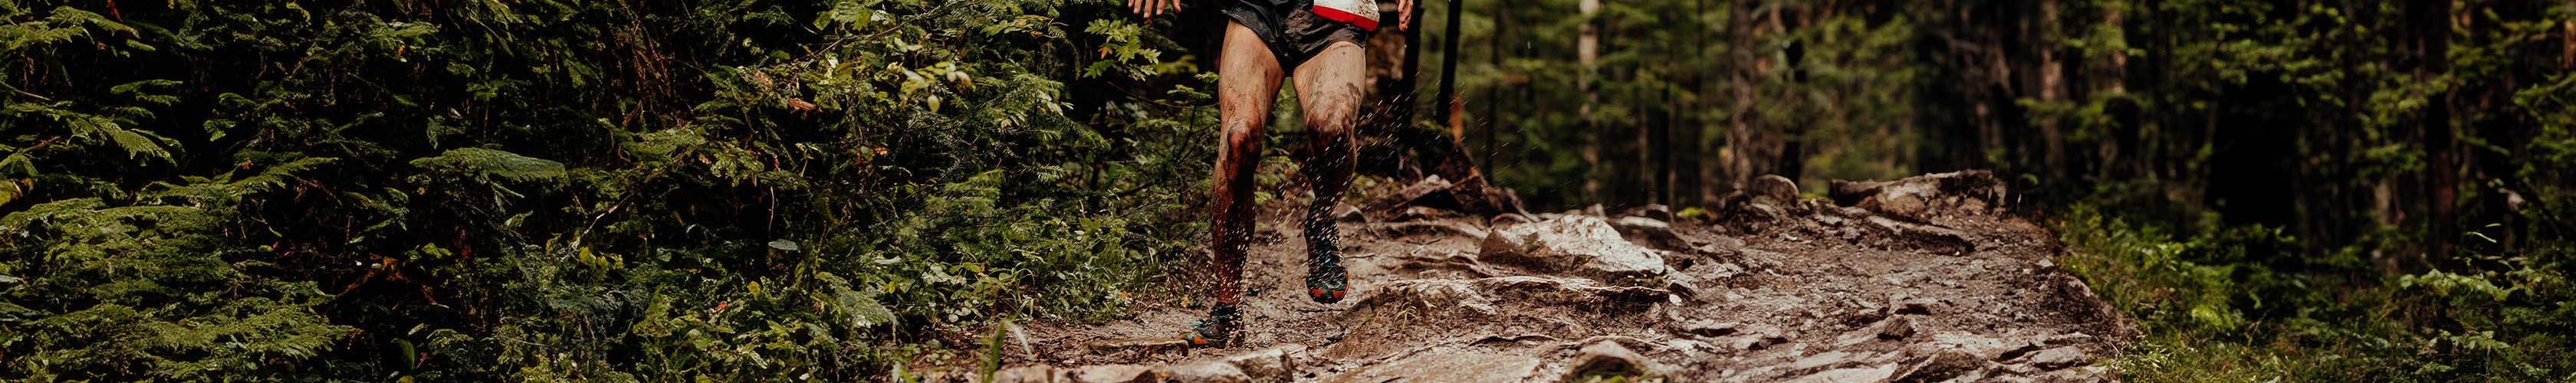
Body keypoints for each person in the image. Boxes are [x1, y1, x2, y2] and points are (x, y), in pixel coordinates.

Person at [1128, 0, 1411, 346]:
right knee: (1239, 138)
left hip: (1334, 15)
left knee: (1332, 127)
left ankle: (1321, 217)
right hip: (1258, 10)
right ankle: (1227, 312)